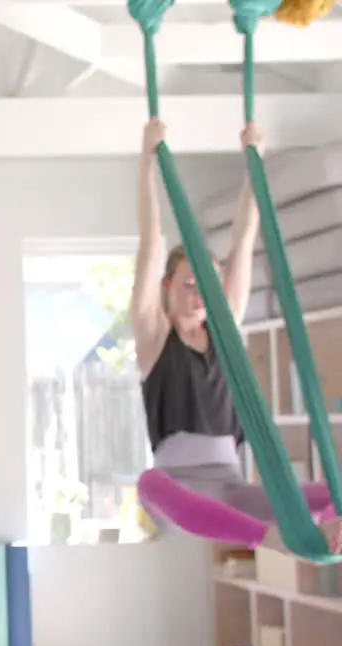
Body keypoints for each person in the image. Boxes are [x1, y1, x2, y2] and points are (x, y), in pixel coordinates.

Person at [132, 118, 342, 553]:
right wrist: (147, 159)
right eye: (190, 284)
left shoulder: (223, 332)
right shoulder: (155, 336)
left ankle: (318, 532)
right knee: (148, 482)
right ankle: (273, 540)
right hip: (178, 488)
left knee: (321, 492)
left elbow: (244, 239)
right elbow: (150, 243)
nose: (199, 296)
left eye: (206, 286)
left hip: (231, 486)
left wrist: (254, 163)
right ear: (167, 286)